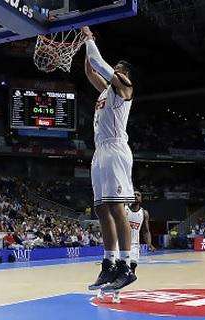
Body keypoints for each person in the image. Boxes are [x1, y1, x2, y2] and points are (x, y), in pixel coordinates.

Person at [82, 25, 137, 292]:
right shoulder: (105, 92)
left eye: (118, 68)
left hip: (116, 150)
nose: (114, 71)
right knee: (101, 209)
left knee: (117, 209)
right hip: (100, 151)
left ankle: (126, 266)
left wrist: (90, 36)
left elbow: (99, 63)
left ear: (124, 74)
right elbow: (90, 70)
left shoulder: (125, 88)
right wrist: (82, 44)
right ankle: (109, 264)